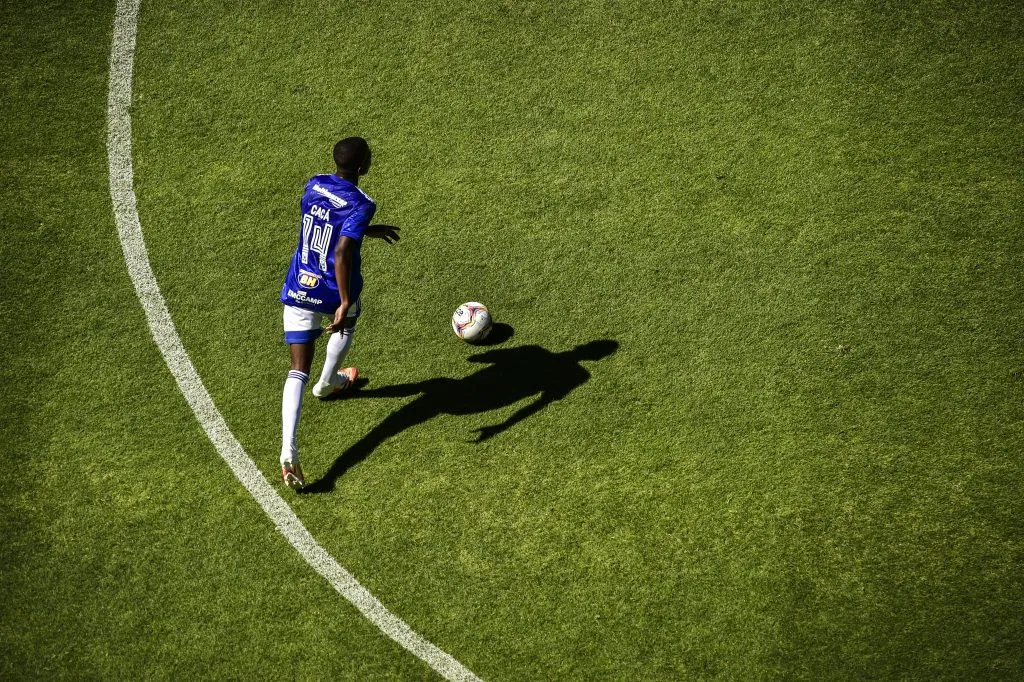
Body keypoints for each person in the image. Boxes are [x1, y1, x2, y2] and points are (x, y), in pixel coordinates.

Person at [278, 137, 400, 488]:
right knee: (348, 323)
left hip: (301, 284)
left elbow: (325, 223)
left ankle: (288, 449)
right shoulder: (362, 202)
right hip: (333, 289)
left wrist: (366, 231)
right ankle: (328, 383)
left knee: (297, 369)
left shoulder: (314, 184)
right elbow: (343, 251)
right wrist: (344, 301)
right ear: (363, 166)